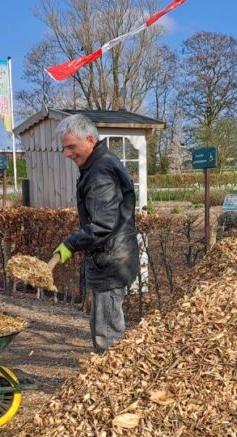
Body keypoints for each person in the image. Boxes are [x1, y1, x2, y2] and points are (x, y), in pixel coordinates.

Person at [47, 114, 140, 352]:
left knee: (107, 335)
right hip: (111, 257)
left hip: (110, 261)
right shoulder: (100, 164)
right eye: (64, 148)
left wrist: (69, 244)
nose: (67, 154)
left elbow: (103, 224)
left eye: (71, 147)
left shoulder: (99, 172)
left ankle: (111, 384)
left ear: (89, 139)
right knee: (103, 324)